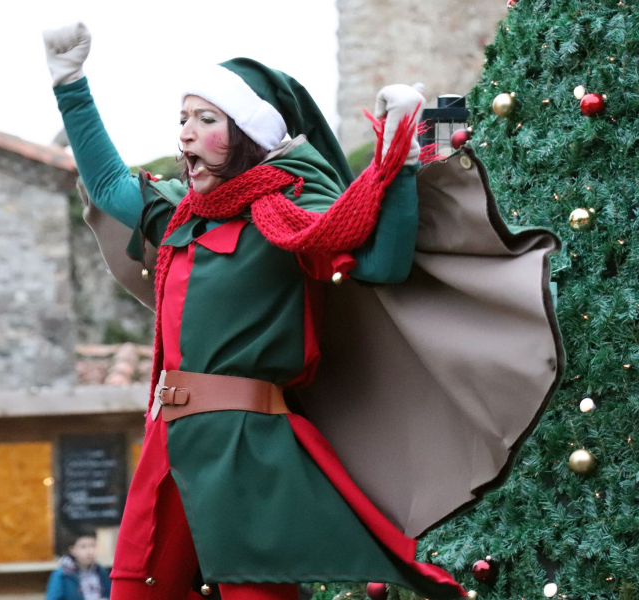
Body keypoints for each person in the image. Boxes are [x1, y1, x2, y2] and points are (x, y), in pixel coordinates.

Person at [42, 22, 562, 600]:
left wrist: (401, 157)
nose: (185, 133)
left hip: (248, 450)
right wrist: (71, 85)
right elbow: (109, 186)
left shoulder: (291, 208)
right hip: (167, 445)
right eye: (182, 119)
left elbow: (382, 264)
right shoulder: (180, 215)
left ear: (248, 131)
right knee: (133, 592)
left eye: (206, 118)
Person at [46, 530, 112, 600]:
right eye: (83, 547)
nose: (90, 551)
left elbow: (110, 594)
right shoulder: (62, 574)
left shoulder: (101, 571)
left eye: (93, 545)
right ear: (72, 550)